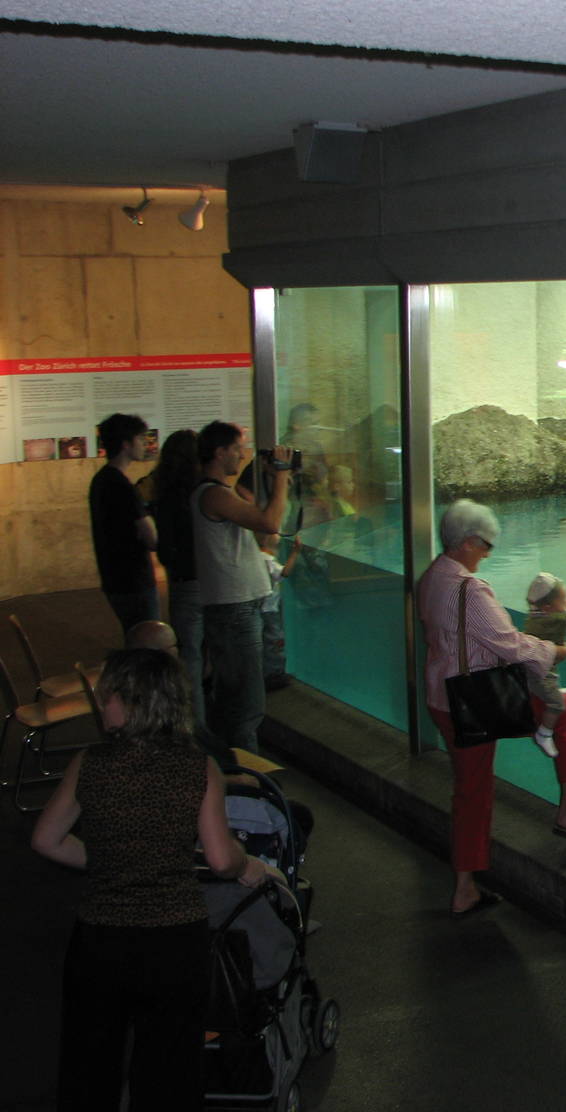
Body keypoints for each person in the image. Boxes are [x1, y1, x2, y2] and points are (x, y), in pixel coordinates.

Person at [31, 648, 276, 1111]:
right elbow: (222, 859)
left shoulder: (91, 763)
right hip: (173, 940)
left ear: (136, 701)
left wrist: (109, 860)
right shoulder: (196, 767)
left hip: (99, 941)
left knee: (89, 1064)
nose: (101, 706)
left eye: (109, 698)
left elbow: (47, 840)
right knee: (167, 1068)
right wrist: (249, 866)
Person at [416, 499, 566, 918]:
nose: (488, 553)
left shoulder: (432, 576)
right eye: (486, 544)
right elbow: (510, 644)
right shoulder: (471, 589)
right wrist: (554, 650)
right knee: (474, 792)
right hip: (474, 701)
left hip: (442, 696)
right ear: (469, 541)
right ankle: (465, 887)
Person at [192, 421, 292, 752]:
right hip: (234, 609)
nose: (242, 455)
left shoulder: (217, 493)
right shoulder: (214, 494)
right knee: (247, 706)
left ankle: (227, 771)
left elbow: (264, 527)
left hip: (234, 606)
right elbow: (269, 522)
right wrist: (280, 476)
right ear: (220, 452)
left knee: (234, 699)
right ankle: (246, 782)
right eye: (237, 449)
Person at [145, 428, 206, 725]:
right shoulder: (199, 493)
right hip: (202, 578)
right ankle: (202, 725)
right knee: (199, 654)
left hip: (180, 578)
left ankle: (195, 722)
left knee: (190, 652)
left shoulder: (161, 491)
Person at [88, 412, 158, 630]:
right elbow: (151, 538)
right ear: (126, 444)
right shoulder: (122, 486)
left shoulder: (101, 480)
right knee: (147, 642)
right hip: (133, 579)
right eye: (140, 439)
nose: (144, 444)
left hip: (115, 578)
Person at [520, 571, 566, 759]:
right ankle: (544, 733)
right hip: (538, 676)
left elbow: (564, 615)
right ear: (547, 607)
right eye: (563, 601)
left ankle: (551, 692)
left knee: (552, 681)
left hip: (535, 671)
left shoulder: (536, 616)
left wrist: (565, 606)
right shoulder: (551, 619)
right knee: (558, 705)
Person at [258, 531, 301, 691]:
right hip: (269, 608)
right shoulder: (267, 559)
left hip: (263, 607)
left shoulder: (257, 557)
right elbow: (285, 572)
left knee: (265, 641)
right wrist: (295, 553)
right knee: (275, 640)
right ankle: (274, 674)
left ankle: (268, 673)